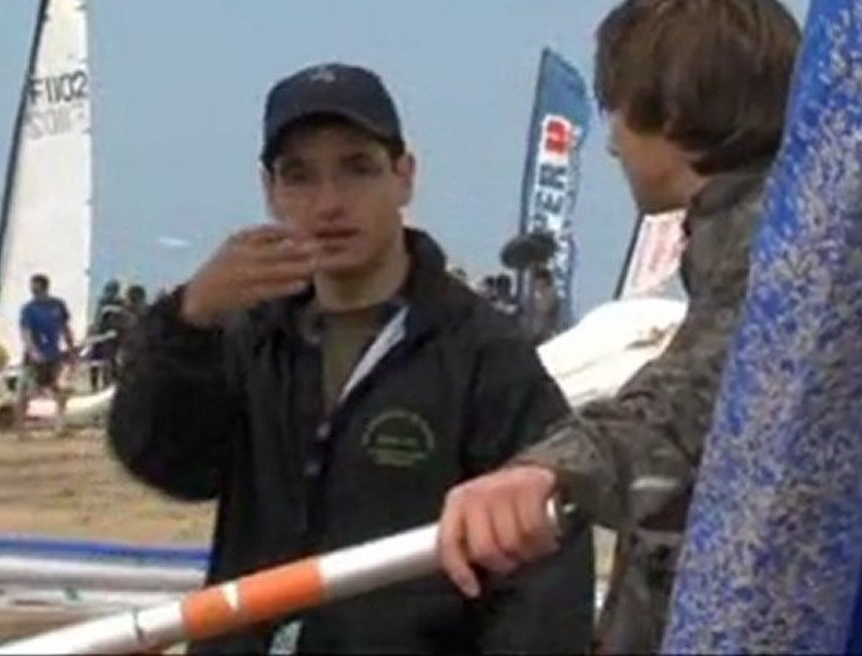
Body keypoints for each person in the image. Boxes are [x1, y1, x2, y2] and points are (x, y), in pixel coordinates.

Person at [109, 62, 593, 654]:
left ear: (404, 176)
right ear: (270, 190)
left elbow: (546, 571)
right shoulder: (248, 335)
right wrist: (186, 323)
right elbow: (168, 465)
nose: (329, 202)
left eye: (357, 169)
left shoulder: (483, 352)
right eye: (300, 176)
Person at [435, 0, 801, 654]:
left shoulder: (778, 248)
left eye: (619, 110)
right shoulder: (763, 237)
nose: (608, 142)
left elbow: (706, 398)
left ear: (669, 107)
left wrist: (550, 468)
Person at [16, 274, 75, 436]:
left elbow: (65, 328)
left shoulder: (57, 305)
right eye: (32, 288)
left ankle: (60, 424)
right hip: (35, 356)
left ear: (44, 287)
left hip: (54, 354)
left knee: (60, 389)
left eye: (36, 288)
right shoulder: (28, 309)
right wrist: (33, 351)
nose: (33, 291)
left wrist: (71, 349)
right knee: (27, 390)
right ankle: (20, 427)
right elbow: (25, 332)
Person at [89, 279, 125, 391]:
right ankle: (95, 385)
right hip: (101, 335)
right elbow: (97, 318)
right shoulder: (103, 302)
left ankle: (108, 384)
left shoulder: (120, 303)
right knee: (96, 361)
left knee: (109, 360)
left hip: (112, 336)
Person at [524, 268, 560, 345]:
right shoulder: (533, 298)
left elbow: (545, 309)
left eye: (543, 286)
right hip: (534, 338)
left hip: (547, 338)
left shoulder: (551, 295)